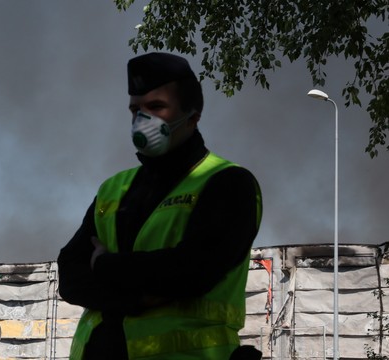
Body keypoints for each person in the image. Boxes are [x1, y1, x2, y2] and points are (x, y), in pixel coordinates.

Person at [57, 52, 263, 359]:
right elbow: (69, 276)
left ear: (193, 115)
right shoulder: (114, 188)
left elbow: (190, 271)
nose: (142, 120)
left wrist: (104, 265)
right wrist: (140, 295)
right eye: (135, 110)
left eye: (155, 107)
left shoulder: (229, 183)